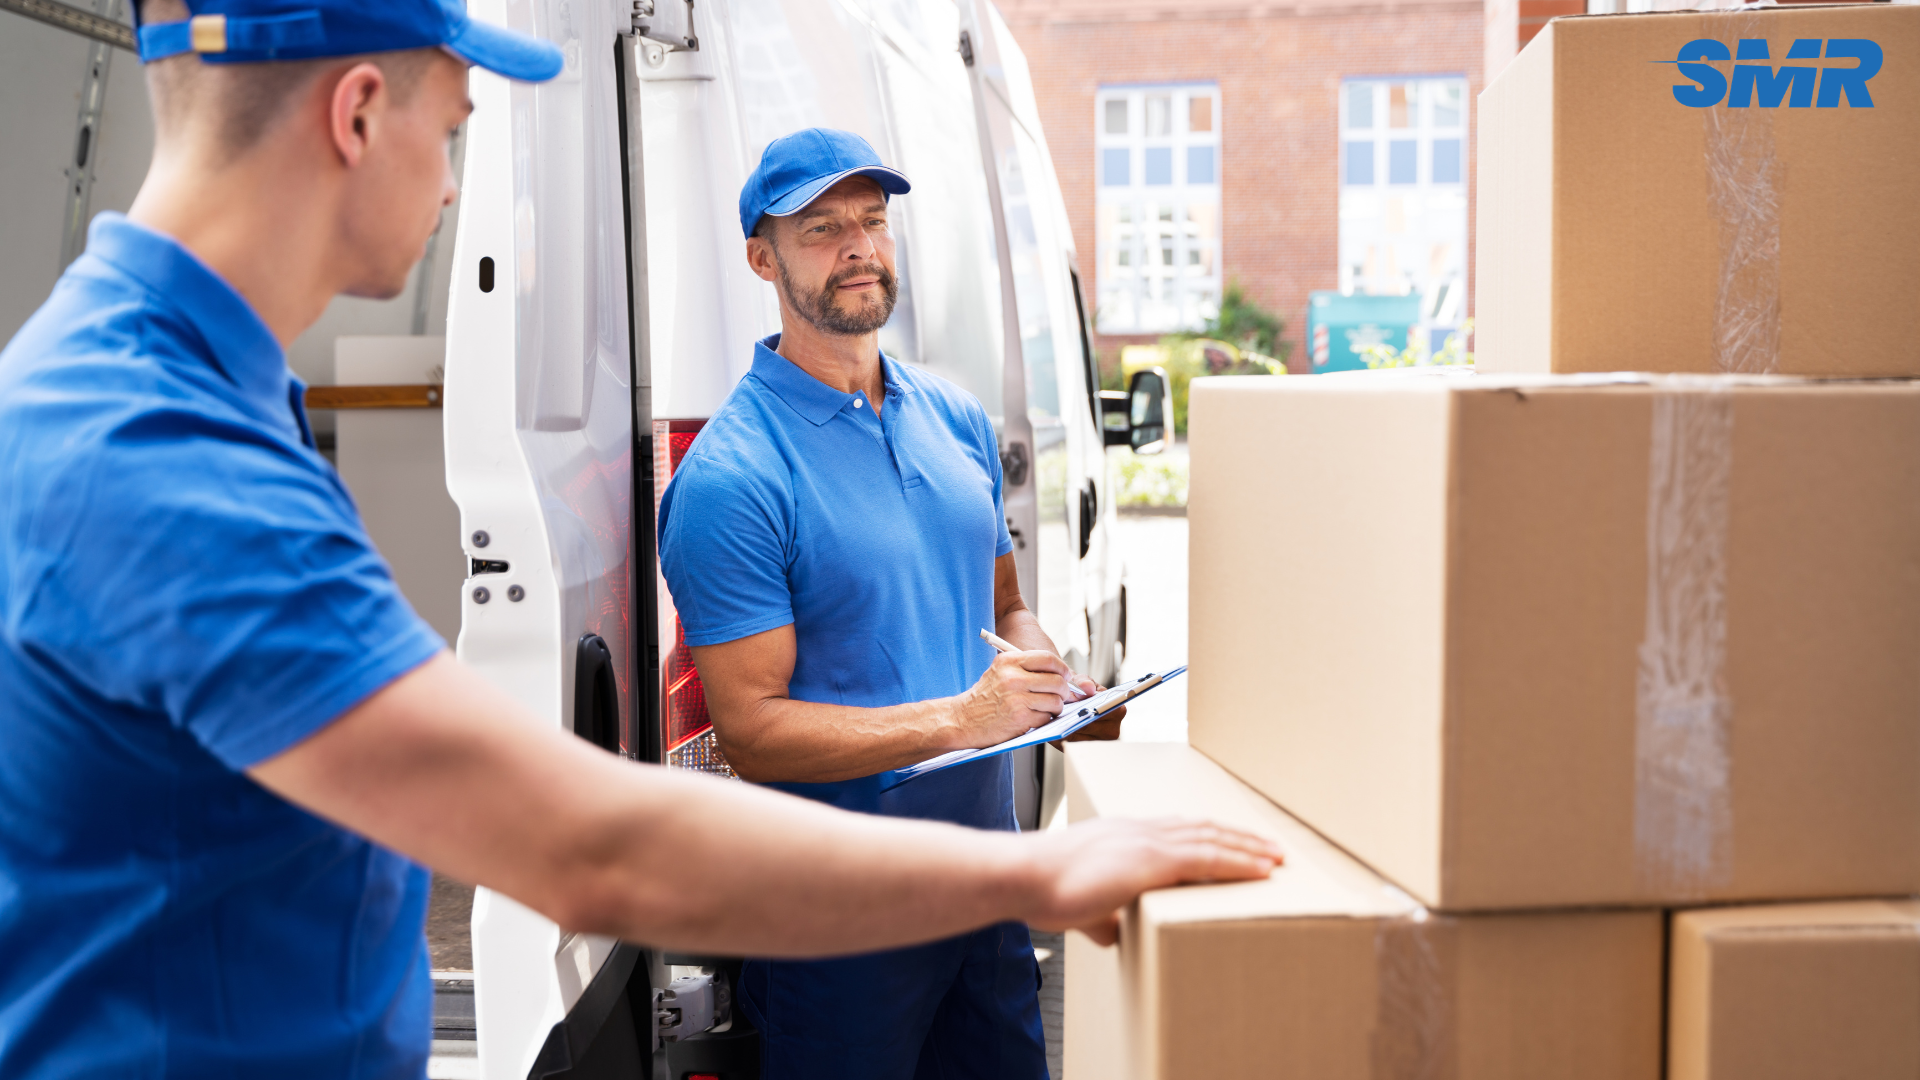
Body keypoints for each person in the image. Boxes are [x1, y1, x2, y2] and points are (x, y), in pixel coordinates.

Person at [0, 5, 1282, 1078]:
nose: (455, 185)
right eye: (452, 133)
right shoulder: (161, 456)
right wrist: (1032, 881)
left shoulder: (186, 393)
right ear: (356, 114)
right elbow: (586, 842)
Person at [655, 128, 1128, 1080]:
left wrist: (1050, 684)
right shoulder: (733, 477)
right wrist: (964, 718)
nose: (858, 246)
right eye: (823, 229)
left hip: (983, 890)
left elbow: (1001, 602)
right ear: (763, 258)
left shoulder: (952, 417)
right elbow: (751, 731)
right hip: (835, 919)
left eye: (872, 221)